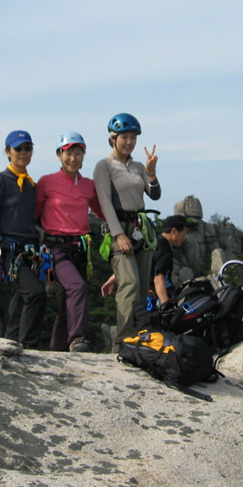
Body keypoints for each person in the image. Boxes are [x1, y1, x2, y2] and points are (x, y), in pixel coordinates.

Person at [94, 113, 161, 351]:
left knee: (142, 287)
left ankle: (139, 338)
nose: (129, 142)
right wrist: (118, 235)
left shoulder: (139, 166)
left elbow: (154, 194)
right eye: (124, 137)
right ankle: (122, 341)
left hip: (141, 228)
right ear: (112, 138)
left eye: (133, 137)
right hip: (119, 229)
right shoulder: (104, 166)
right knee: (129, 283)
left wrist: (151, 174)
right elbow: (104, 203)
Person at [36, 132, 104, 352]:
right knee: (77, 287)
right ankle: (78, 338)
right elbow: (34, 214)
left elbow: (101, 212)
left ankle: (57, 349)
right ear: (59, 155)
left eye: (78, 153)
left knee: (69, 300)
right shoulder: (46, 182)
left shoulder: (88, 185)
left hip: (80, 248)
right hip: (55, 247)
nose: (73, 158)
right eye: (68, 154)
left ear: (83, 156)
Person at [0, 130, 46, 348]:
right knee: (35, 294)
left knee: (21, 301)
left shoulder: (31, 185)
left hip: (30, 252)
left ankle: (10, 343)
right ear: (8, 152)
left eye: (28, 148)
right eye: (18, 148)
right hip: (10, 252)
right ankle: (29, 346)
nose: (23, 152)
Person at [150, 215, 193, 306]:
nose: (185, 238)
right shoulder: (165, 250)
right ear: (174, 231)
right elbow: (158, 278)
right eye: (184, 234)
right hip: (157, 296)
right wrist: (166, 305)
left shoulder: (155, 242)